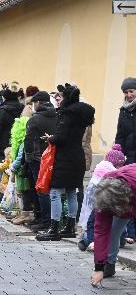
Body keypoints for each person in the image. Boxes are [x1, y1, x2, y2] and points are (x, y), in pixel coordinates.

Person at [36, 84, 95, 241]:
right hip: (77, 157)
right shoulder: (81, 113)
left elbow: (61, 137)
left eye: (60, 96)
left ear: (67, 98)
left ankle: (54, 229)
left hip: (64, 159)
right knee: (71, 192)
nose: (58, 99)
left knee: (55, 192)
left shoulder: (67, 114)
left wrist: (50, 138)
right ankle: (70, 227)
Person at [78, 145, 127, 262]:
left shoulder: (119, 195)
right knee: (90, 232)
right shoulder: (100, 202)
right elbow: (94, 224)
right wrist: (92, 242)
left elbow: (125, 219)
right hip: (98, 234)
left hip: (110, 233)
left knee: (117, 232)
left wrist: (128, 236)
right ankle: (85, 240)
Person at [91, 164, 136, 288]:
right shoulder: (104, 191)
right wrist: (98, 267)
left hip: (132, 191)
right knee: (112, 233)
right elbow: (101, 231)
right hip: (122, 197)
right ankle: (108, 265)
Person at [23, 91, 57, 232]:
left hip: (37, 159)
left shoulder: (35, 119)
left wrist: (28, 159)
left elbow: (28, 140)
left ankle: (42, 220)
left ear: (38, 103)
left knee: (39, 189)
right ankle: (46, 219)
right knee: (48, 189)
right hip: (52, 157)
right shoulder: (57, 116)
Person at [116, 77, 136, 165]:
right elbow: (120, 135)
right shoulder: (123, 110)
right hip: (127, 156)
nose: (129, 95)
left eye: (131, 91)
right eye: (126, 92)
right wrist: (117, 151)